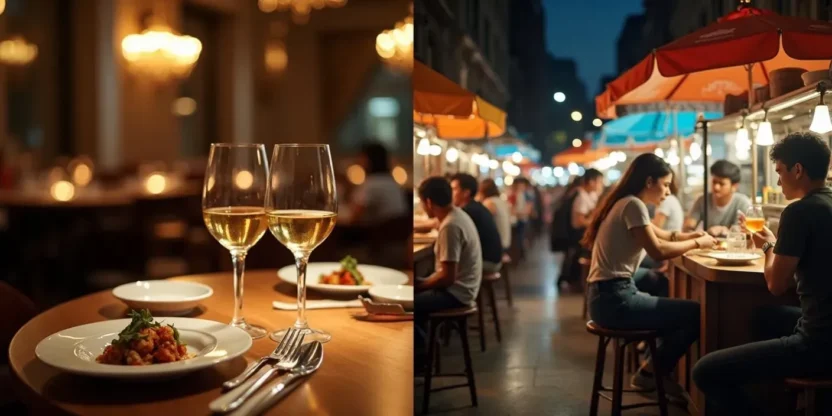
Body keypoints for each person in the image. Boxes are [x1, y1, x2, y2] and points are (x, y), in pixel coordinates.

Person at [692, 131, 832, 414]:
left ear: (797, 170)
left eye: (779, 172)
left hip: (818, 343)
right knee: (764, 317)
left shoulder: (798, 212)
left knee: (705, 372)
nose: (778, 181)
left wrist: (768, 245)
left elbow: (776, 285)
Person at [583, 153, 716, 404]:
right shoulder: (633, 205)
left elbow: (664, 235)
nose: (668, 191)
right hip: (615, 300)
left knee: (663, 287)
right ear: (649, 182)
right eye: (665, 185)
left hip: (605, 296)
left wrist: (692, 236)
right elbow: (658, 250)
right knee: (694, 313)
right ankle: (650, 373)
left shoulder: (625, 202)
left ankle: (655, 367)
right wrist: (699, 243)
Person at [414, 177, 482, 369]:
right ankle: (425, 352)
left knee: (409, 306)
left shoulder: (450, 226)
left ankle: (423, 358)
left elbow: (447, 278)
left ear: (428, 202)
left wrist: (420, 286)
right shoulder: (456, 215)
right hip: (466, 288)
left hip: (458, 294)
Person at [451, 174, 504, 273]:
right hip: (494, 258)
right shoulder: (476, 207)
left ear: (466, 193)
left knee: (446, 267)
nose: (450, 193)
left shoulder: (468, 211)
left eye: (454, 189)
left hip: (487, 262)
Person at [684, 160, 751, 237]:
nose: (716, 187)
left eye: (721, 184)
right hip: (708, 243)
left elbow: (745, 232)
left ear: (734, 186)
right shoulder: (702, 200)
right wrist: (699, 234)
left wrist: (724, 230)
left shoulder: (742, 202)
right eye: (714, 182)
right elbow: (688, 228)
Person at [349, 142, 407, 225]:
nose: (358, 161)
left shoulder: (371, 184)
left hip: (379, 232)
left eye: (361, 157)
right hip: (399, 230)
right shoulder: (392, 182)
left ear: (369, 160)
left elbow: (355, 217)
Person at [477, 178, 512, 253]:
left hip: (498, 242)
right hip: (505, 240)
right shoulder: (500, 200)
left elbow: (484, 223)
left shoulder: (489, 202)